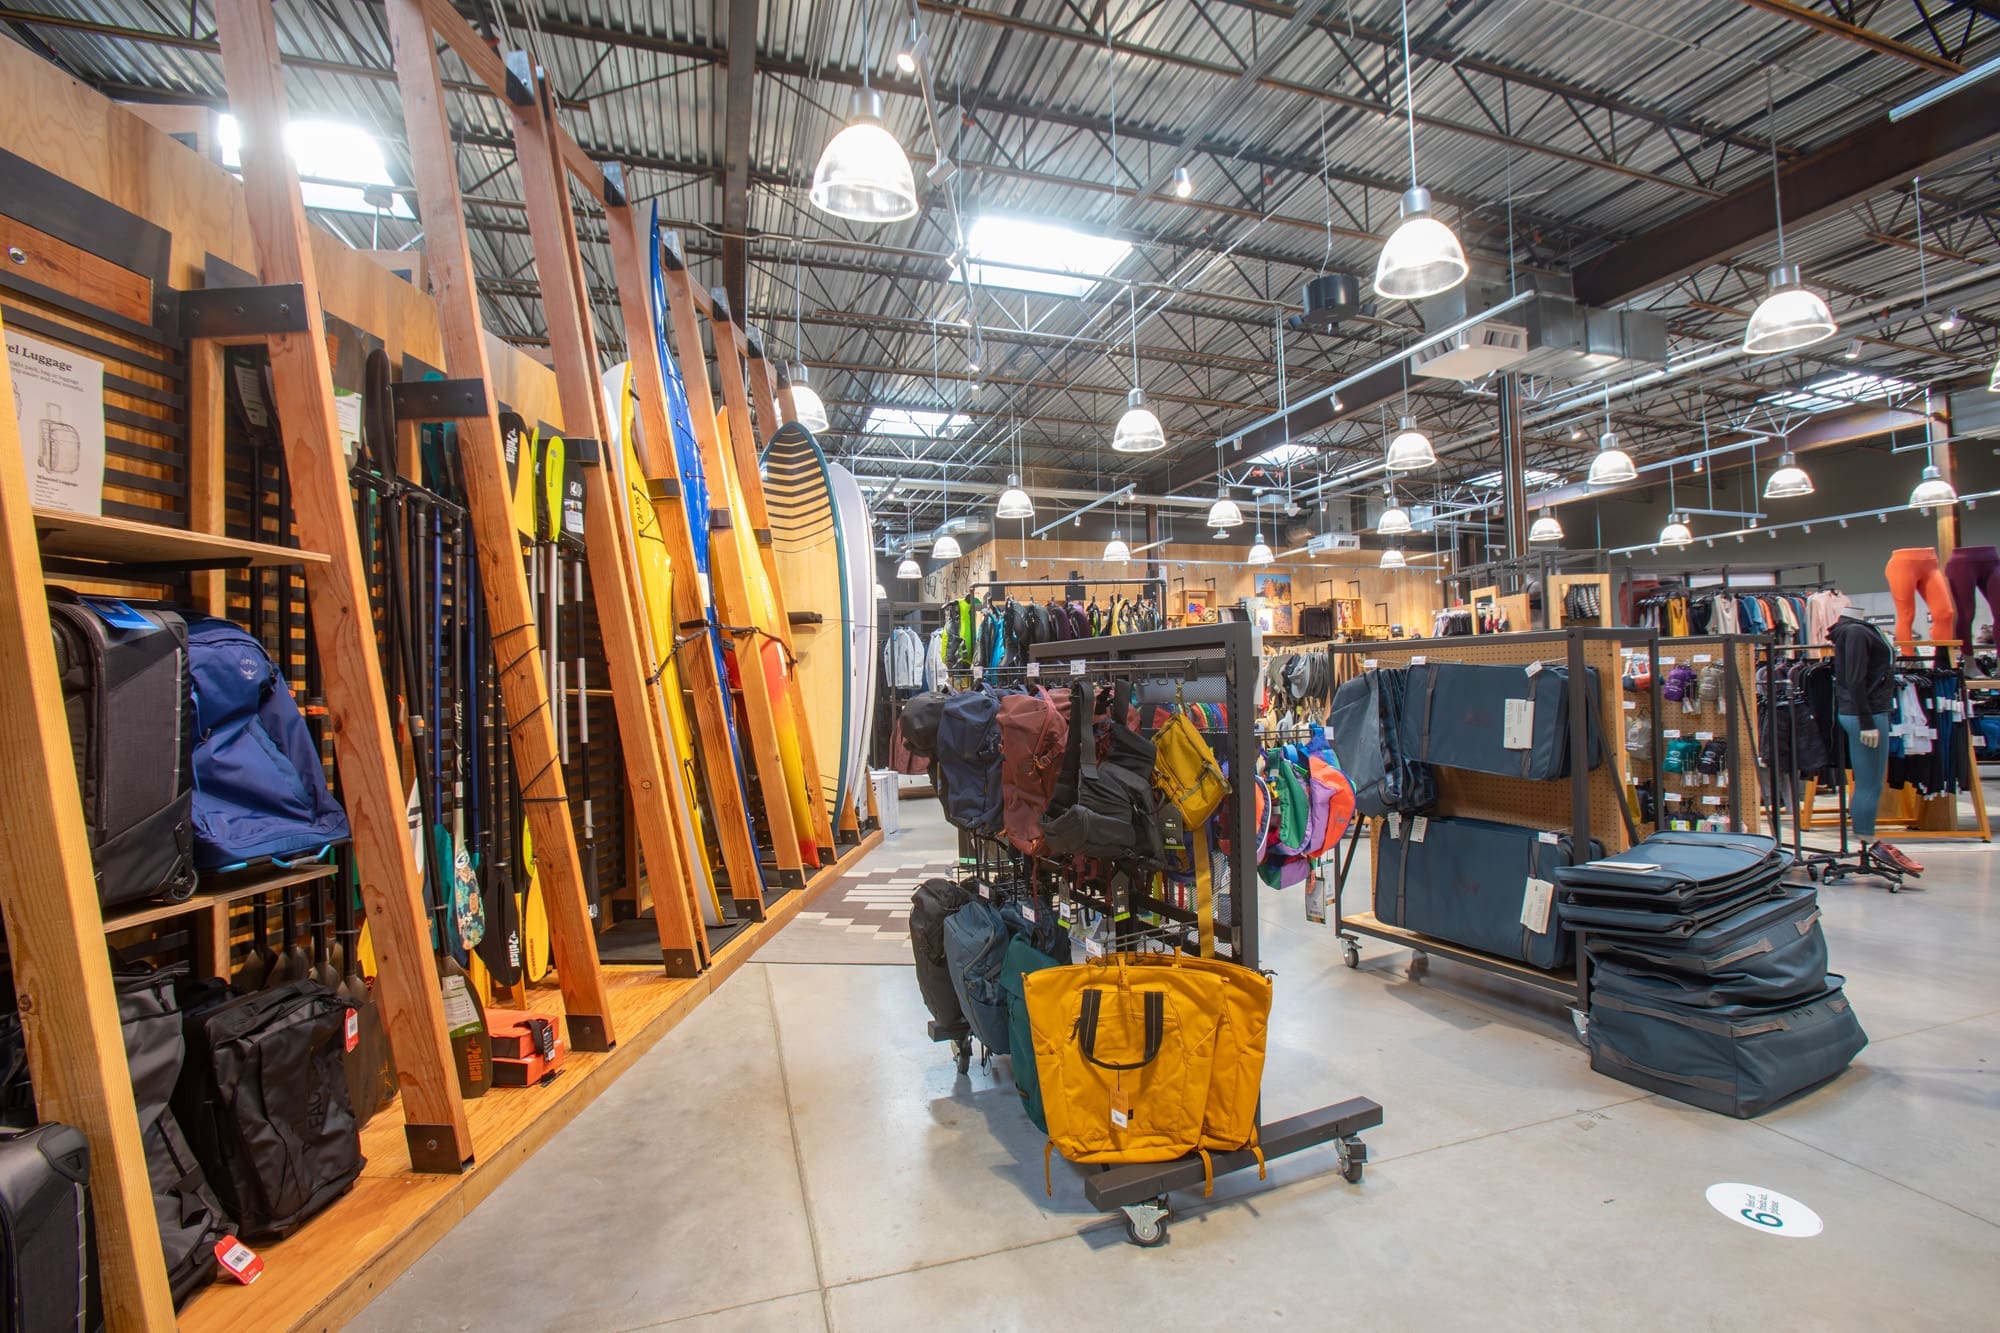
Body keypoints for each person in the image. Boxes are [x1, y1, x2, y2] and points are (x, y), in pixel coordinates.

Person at [1828, 609, 1922, 876]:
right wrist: (1867, 720)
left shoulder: (1852, 630)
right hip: (1864, 713)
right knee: (1870, 782)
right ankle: (1869, 844)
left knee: (1869, 781)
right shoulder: (1856, 632)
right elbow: (1854, 679)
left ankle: (1867, 841)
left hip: (1862, 711)